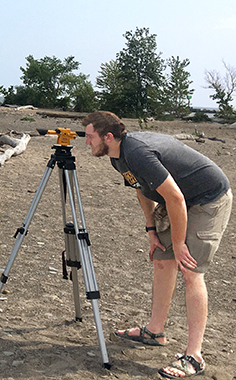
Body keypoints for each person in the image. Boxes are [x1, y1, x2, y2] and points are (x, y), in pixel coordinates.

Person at [82, 111, 232, 379]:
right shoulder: (117, 156)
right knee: (162, 260)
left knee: (190, 270)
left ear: (108, 136)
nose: (86, 142)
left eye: (90, 136)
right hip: (179, 199)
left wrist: (179, 242)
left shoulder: (138, 152)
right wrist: (151, 230)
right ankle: (155, 331)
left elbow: (175, 198)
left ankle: (194, 356)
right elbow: (141, 188)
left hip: (207, 198)